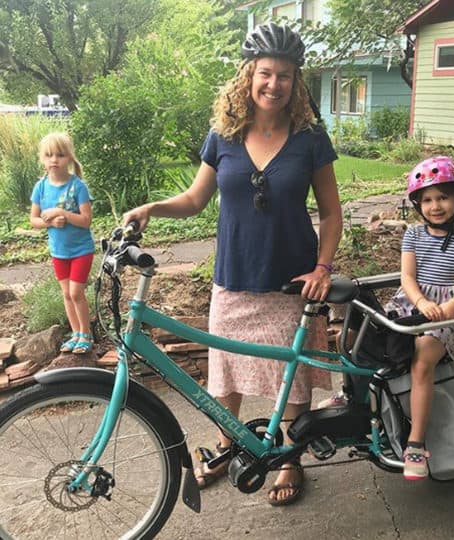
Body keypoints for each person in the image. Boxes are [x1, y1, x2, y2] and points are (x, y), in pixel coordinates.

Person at [123, 22, 342, 505]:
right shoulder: (223, 135)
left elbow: (331, 211)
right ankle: (227, 445)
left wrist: (323, 267)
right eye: (266, 73)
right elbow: (195, 199)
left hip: (293, 282)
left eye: (285, 75)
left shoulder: (310, 138)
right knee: (224, 372)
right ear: (249, 75)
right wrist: (151, 209)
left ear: (296, 82)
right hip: (234, 276)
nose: (274, 84)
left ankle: (289, 458)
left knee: (293, 376)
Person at [384, 155, 454, 480]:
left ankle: (415, 442)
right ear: (418, 204)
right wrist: (420, 301)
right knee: (371, 337)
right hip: (414, 302)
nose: (435, 206)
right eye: (427, 199)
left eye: (443, 197)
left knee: (423, 358)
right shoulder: (413, 235)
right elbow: (407, 278)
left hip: (448, 312)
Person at [30, 132, 94, 355]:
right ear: (42, 159)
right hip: (59, 251)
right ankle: (76, 333)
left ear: (69, 158)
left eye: (60, 154)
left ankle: (86, 334)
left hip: (81, 250)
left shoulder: (78, 187)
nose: (54, 159)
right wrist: (49, 223)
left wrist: (63, 214)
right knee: (66, 294)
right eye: (48, 155)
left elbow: (86, 221)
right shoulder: (41, 187)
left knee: (76, 292)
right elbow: (34, 220)